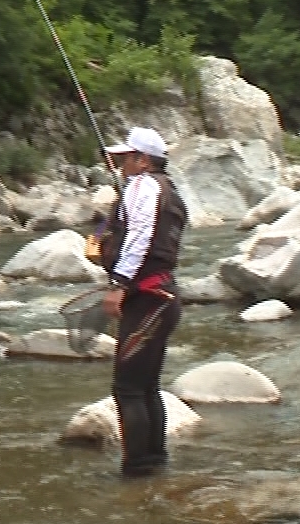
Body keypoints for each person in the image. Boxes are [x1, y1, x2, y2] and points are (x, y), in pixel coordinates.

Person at [97, 126, 188, 478]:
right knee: (146, 386)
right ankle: (155, 464)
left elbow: (139, 236)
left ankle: (137, 471)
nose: (120, 164)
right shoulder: (171, 192)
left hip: (148, 300)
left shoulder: (143, 186)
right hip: (163, 297)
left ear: (143, 159)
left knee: (128, 389)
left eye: (125, 158)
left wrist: (117, 284)